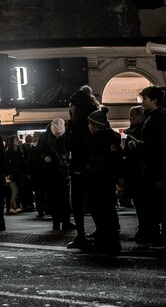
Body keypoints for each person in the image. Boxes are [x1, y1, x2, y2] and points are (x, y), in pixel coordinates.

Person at [137, 85, 166, 249]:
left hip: (157, 167)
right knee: (162, 202)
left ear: (154, 100)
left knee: (159, 203)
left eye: (145, 99)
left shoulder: (157, 119)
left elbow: (158, 145)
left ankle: (165, 236)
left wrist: (140, 145)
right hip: (159, 166)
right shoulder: (158, 117)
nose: (142, 102)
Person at [64, 86, 97, 248]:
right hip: (89, 167)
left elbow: (69, 144)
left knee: (78, 202)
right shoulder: (90, 119)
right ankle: (100, 232)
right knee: (92, 202)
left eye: (71, 105)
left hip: (80, 166)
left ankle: (82, 235)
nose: (69, 108)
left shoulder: (77, 124)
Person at [86, 108, 123, 254]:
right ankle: (111, 239)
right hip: (108, 178)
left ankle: (105, 239)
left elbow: (96, 161)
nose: (88, 127)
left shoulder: (97, 140)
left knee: (99, 207)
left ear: (95, 125)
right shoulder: (112, 138)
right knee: (108, 208)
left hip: (99, 178)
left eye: (90, 124)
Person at [35, 118, 71, 232]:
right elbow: (38, 151)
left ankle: (65, 222)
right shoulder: (45, 137)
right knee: (55, 198)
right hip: (52, 171)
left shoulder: (48, 136)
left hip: (62, 170)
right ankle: (57, 222)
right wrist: (45, 157)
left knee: (63, 198)